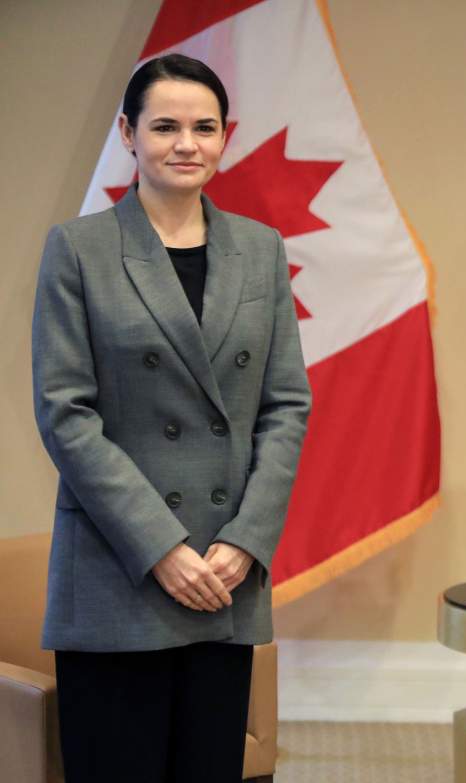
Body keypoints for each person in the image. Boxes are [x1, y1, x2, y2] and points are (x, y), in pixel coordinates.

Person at [31, 53, 311, 782]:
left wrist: (247, 539)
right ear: (128, 133)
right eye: (164, 126)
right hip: (119, 570)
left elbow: (285, 406)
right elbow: (66, 414)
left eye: (203, 127)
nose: (186, 142)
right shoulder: (79, 249)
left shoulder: (260, 249)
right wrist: (161, 546)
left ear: (226, 137)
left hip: (224, 571)